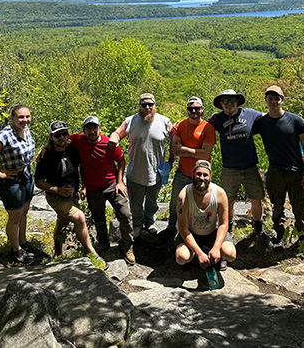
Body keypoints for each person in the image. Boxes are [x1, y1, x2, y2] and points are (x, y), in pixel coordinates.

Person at [71, 115, 135, 265]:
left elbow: (121, 161)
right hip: (93, 189)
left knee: (125, 214)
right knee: (99, 218)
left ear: (100, 129)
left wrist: (120, 182)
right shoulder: (79, 140)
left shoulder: (109, 144)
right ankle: (103, 243)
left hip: (112, 185)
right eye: (89, 128)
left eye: (95, 128)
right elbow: (59, 136)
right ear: (83, 130)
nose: (92, 131)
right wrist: (46, 148)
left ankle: (127, 246)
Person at [253, 85, 304, 244]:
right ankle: (279, 236)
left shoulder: (295, 121)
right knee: (277, 208)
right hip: (275, 172)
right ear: (266, 100)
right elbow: (243, 128)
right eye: (270, 98)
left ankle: (303, 240)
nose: (273, 101)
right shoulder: (262, 122)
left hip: (296, 172)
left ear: (282, 100)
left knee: (299, 208)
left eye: (277, 98)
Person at [108, 93, 172, 238]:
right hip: (135, 173)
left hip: (156, 173)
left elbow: (175, 138)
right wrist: (113, 139)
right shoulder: (130, 121)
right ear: (139, 106)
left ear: (155, 105)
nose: (147, 107)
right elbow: (118, 133)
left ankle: (149, 222)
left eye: (150, 104)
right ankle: (137, 224)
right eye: (144, 105)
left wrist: (171, 160)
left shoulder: (164, 121)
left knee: (152, 201)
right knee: (135, 204)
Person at [34, 120, 100, 259]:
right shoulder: (46, 156)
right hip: (56, 196)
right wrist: (56, 189)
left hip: (73, 194)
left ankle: (57, 251)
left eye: (64, 134)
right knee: (79, 217)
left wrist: (84, 186)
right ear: (51, 137)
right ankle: (91, 253)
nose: (62, 137)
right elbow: (39, 182)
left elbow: (82, 166)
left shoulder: (73, 149)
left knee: (62, 221)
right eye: (57, 135)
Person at [0, 104, 37, 264]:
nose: (25, 120)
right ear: (12, 118)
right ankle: (16, 250)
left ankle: (23, 242)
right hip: (11, 181)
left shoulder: (25, 130)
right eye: (20, 117)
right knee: (15, 217)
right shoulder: (5, 135)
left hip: (26, 176)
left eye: (27, 116)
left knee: (24, 212)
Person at [158, 96, 216, 244]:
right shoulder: (181, 126)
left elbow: (205, 154)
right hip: (183, 172)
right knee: (175, 203)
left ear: (202, 109)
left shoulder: (207, 128)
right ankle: (171, 229)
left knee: (202, 204)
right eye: (191, 108)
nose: (194, 111)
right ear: (187, 110)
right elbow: (175, 150)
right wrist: (193, 151)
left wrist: (184, 149)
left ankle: (199, 233)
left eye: (197, 108)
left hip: (202, 175)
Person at [209, 89, 265, 235]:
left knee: (257, 200)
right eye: (225, 101)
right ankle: (228, 229)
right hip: (229, 169)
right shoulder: (217, 119)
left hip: (250, 167)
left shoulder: (250, 114)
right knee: (228, 202)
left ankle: (258, 229)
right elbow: (200, 126)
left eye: (232, 100)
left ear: (238, 102)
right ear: (221, 104)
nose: (229, 104)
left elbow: (269, 119)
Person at [175, 160, 236, 270]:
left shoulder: (219, 193)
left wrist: (217, 247)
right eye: (198, 174)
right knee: (181, 257)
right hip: (191, 233)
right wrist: (199, 253)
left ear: (210, 176)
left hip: (212, 233)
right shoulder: (184, 196)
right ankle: (195, 256)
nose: (201, 178)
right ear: (193, 175)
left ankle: (218, 257)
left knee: (230, 254)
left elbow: (224, 224)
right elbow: (183, 229)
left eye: (205, 175)